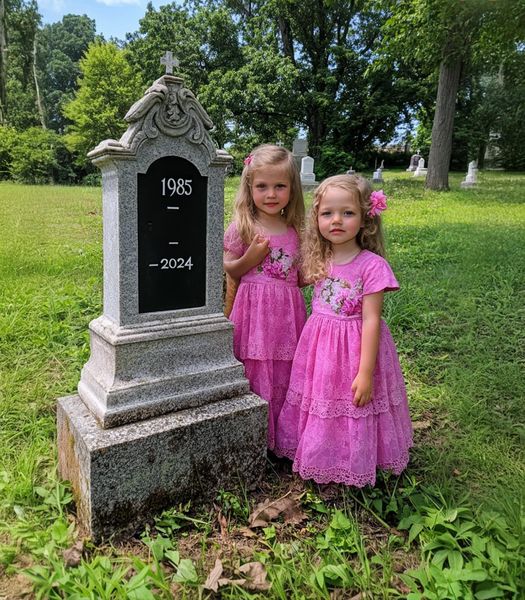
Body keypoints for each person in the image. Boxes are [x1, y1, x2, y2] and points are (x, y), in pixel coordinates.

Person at [275, 174, 412, 486]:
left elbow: (372, 320)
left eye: (347, 213)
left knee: (354, 403)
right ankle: (322, 453)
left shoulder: (371, 265)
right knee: (322, 400)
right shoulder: (319, 257)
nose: (336, 220)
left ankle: (355, 459)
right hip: (321, 347)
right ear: (317, 218)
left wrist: (365, 373)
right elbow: (292, 279)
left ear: (366, 219)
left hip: (355, 348)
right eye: (327, 213)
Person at [223, 144, 306, 450]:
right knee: (255, 368)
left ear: (292, 189)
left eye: (280, 186)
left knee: (284, 369)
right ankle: (251, 437)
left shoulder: (296, 230)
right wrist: (253, 258)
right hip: (253, 313)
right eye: (262, 186)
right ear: (249, 187)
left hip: (286, 315)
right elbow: (230, 270)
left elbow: (299, 277)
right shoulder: (242, 227)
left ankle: (281, 438)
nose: (271, 194)